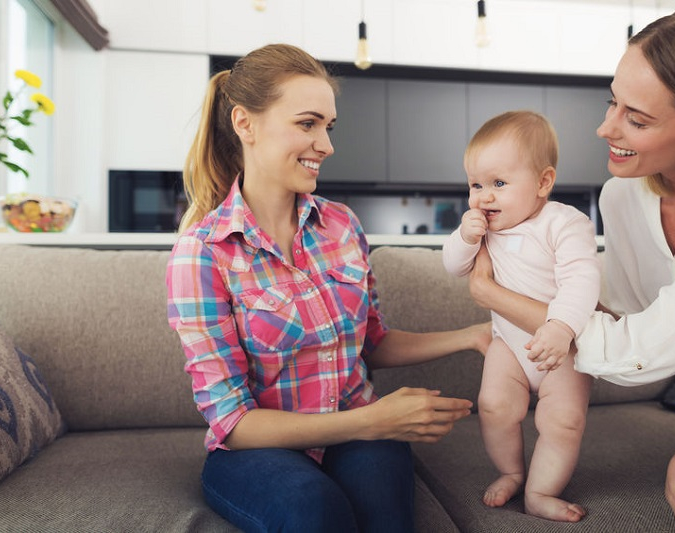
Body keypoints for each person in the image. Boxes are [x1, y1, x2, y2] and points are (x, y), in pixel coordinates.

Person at [467, 2, 675, 531]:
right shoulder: (623, 197)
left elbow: (637, 350)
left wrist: (494, 294)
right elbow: (625, 310)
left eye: (636, 118)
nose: (605, 127)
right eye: (613, 102)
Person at [165, 43, 491, 533]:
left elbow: (371, 343)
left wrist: (472, 335)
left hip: (359, 429)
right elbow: (235, 422)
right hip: (258, 450)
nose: (327, 144)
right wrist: (373, 421)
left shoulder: (342, 226)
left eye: (328, 127)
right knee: (314, 512)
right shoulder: (203, 253)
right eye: (307, 123)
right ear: (244, 124)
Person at [442, 111, 600, 522]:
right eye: (476, 184)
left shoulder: (565, 224)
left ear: (543, 182)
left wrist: (561, 328)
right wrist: (464, 237)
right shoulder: (485, 230)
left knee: (563, 420)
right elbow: (454, 267)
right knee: (493, 405)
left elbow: (581, 281)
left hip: (561, 351)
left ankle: (540, 491)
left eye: (498, 183)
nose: (484, 197)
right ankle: (511, 471)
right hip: (509, 346)